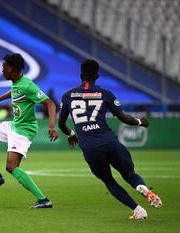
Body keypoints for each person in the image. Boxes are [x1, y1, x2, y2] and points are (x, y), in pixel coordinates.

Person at [58, 59, 162, 219]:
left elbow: (61, 123)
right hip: (110, 142)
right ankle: (143, 189)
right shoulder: (105, 94)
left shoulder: (67, 96)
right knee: (129, 174)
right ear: (97, 76)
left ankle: (138, 210)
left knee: (109, 181)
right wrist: (141, 122)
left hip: (91, 149)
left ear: (80, 75)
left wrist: (71, 134)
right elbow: (124, 118)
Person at [0, 53, 58, 208]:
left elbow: (50, 104)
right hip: (14, 125)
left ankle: (43, 200)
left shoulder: (27, 85)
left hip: (24, 130)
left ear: (11, 69)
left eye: (3, 67)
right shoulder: (16, 82)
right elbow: (14, 92)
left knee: (11, 167)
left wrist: (52, 127)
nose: (2, 70)